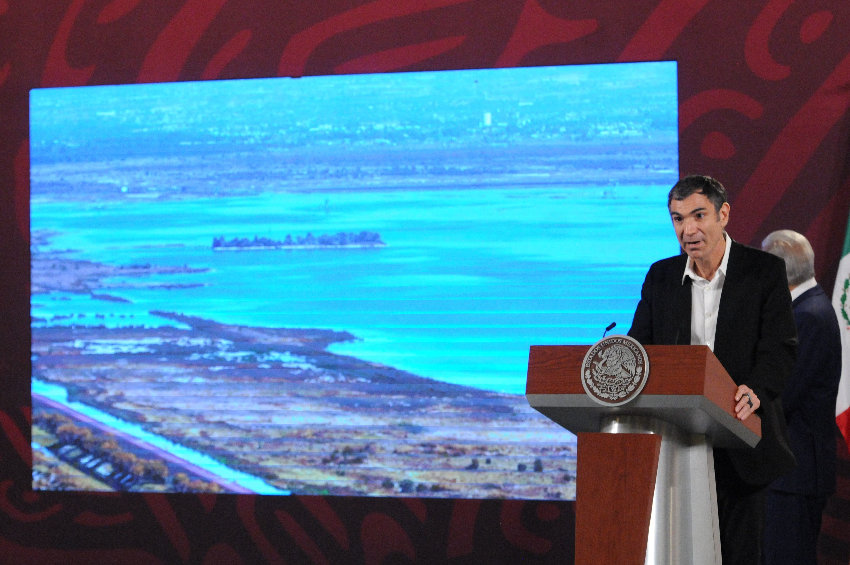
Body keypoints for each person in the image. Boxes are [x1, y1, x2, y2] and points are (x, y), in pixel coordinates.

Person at [627, 174, 798, 564]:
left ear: (723, 214)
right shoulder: (661, 277)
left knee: (739, 553)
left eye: (698, 215)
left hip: (740, 439)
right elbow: (640, 346)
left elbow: (781, 349)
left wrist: (755, 388)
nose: (688, 229)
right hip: (676, 444)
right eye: (677, 218)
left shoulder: (763, 272)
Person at [760, 229, 842, 565]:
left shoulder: (807, 317)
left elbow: (783, 393)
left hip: (795, 475)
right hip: (792, 475)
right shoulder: (811, 308)